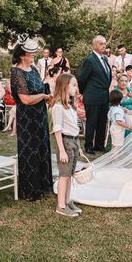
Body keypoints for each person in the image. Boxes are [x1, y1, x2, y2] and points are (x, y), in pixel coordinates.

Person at [10, 37, 53, 200]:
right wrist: (43, 96)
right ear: (22, 55)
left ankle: (43, 185)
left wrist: (46, 95)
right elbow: (25, 99)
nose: (33, 55)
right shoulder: (16, 72)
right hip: (27, 118)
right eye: (31, 53)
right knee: (30, 151)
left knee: (42, 147)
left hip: (40, 115)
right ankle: (29, 190)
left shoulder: (34, 69)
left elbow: (39, 88)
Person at [51, 73, 83, 217]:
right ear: (65, 87)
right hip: (65, 142)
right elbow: (57, 130)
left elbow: (75, 128)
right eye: (74, 85)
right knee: (64, 175)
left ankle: (67, 200)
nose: (76, 88)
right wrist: (62, 150)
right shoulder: (58, 107)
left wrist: (79, 146)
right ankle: (61, 206)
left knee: (70, 174)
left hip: (74, 141)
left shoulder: (70, 106)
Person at [78, 35, 111, 154]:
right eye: (101, 44)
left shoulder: (105, 59)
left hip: (104, 96)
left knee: (102, 122)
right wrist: (84, 92)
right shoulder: (90, 60)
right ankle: (88, 145)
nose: (104, 46)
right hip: (92, 96)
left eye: (105, 43)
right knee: (91, 122)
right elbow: (82, 79)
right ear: (95, 45)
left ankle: (99, 145)